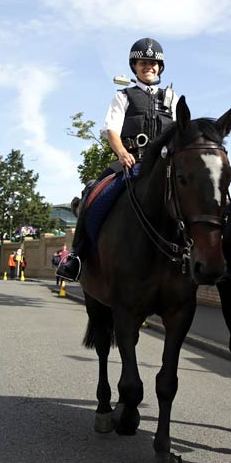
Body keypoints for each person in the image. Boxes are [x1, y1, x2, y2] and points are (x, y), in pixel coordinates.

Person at [56, 37, 179, 281]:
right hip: (132, 162)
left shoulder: (172, 98)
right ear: (135, 66)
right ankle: (77, 256)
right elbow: (111, 130)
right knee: (93, 194)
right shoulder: (123, 96)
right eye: (144, 62)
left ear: (160, 68)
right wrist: (122, 153)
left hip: (164, 166)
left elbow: (179, 132)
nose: (149, 67)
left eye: (154, 64)